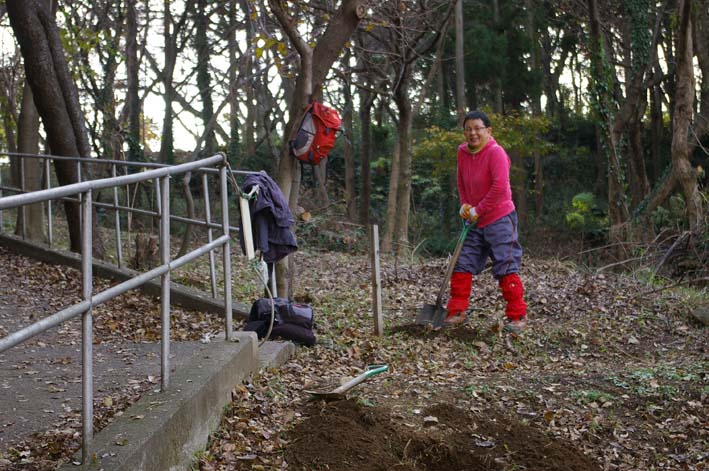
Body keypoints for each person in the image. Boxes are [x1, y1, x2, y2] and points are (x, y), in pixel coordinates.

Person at [444, 110, 528, 333]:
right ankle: (457, 310)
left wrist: (479, 210)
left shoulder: (496, 153)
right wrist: (464, 205)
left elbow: (500, 188)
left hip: (499, 218)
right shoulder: (462, 152)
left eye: (477, 128)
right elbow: (461, 181)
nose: (472, 133)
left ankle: (517, 315)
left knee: (506, 264)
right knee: (462, 263)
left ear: (488, 131)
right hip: (474, 220)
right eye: (468, 129)